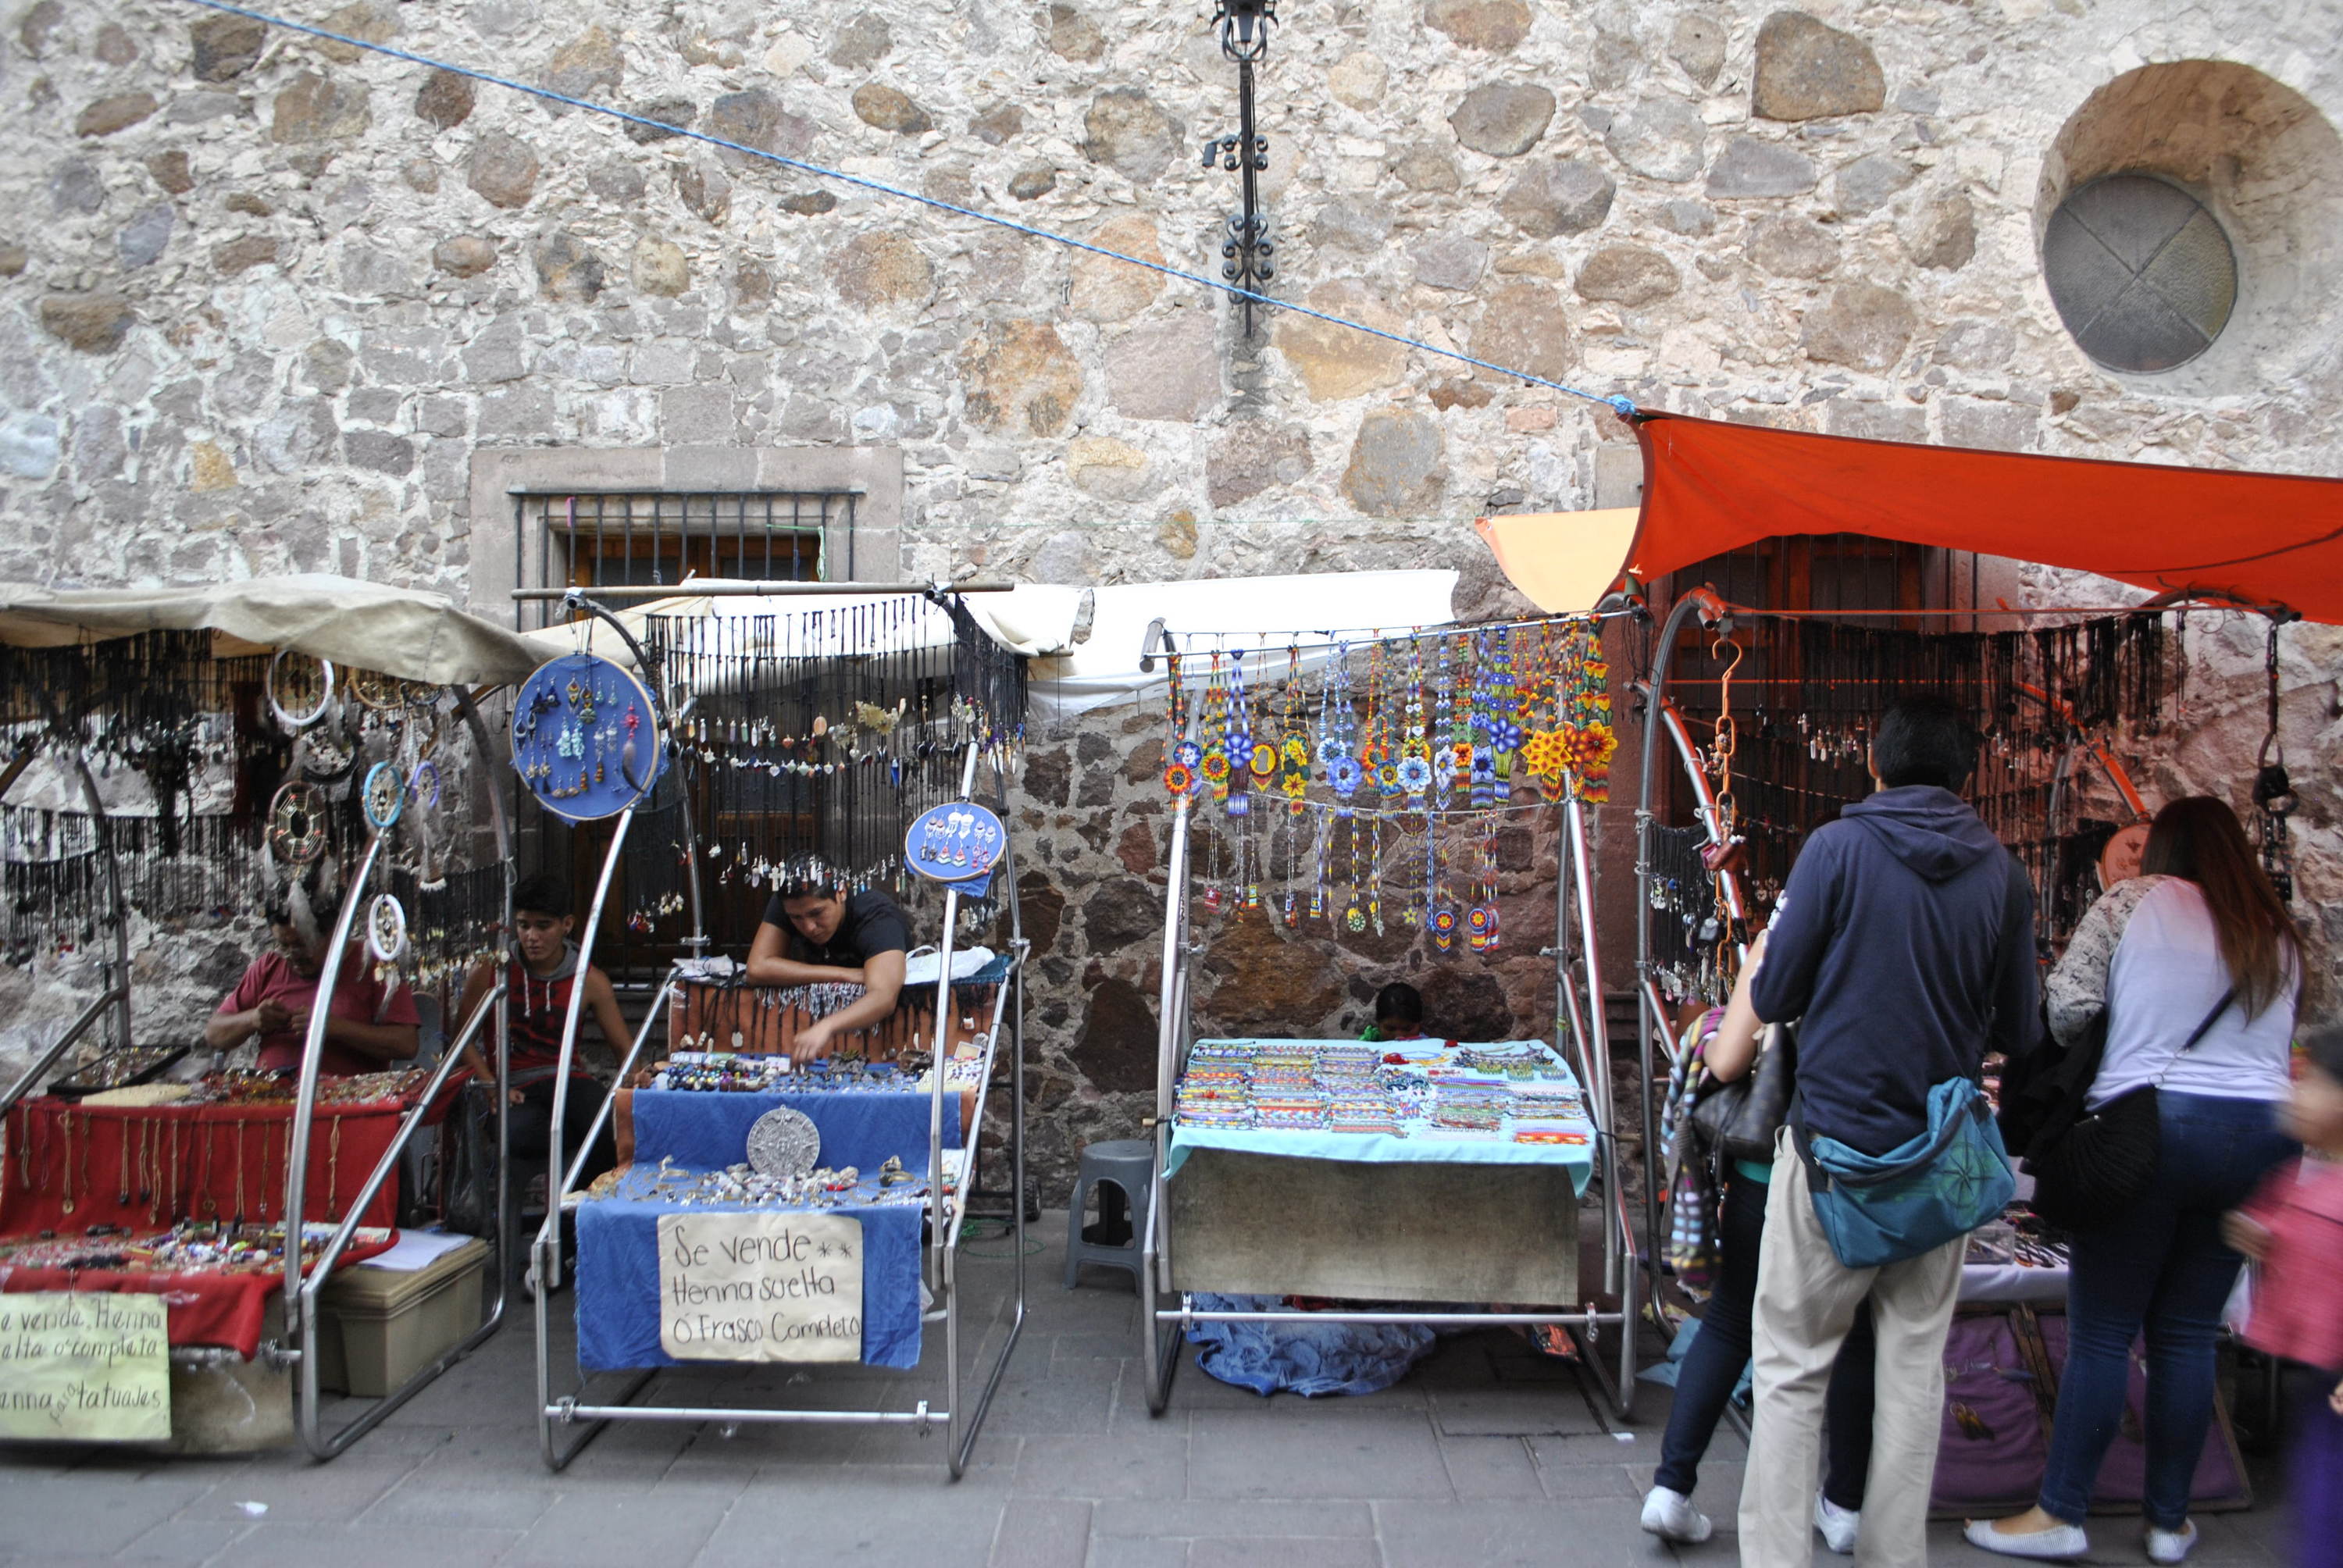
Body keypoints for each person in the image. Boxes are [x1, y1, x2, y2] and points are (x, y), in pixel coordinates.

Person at [1739, 695, 2039, 1568]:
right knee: (1915, 1367)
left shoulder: (1837, 849)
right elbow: (2020, 1025)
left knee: (1794, 1366)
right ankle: (1894, 1556)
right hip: (1938, 1156)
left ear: (1875, 763)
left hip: (1834, 1143)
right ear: (1964, 773)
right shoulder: (2003, 873)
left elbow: (1774, 995)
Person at [1969, 796, 2302, 1563]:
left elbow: (2065, 1009)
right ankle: (2167, 1520)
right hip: (2256, 1137)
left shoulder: (2132, 904)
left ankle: (2061, 1510)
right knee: (2187, 1333)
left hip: (2150, 1128)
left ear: (2167, 848)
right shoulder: (2273, 927)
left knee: (2105, 1330)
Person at [1639, 931, 1878, 1552]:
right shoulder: (1912, 930)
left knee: (1729, 1322)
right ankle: (1845, 1504)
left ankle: (1671, 1489)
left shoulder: (1784, 940)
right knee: (1857, 1333)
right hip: (1869, 1169)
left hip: (1771, 1169)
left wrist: (1716, 1028)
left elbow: (1725, 1065)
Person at [2226, 1024, 2343, 1568]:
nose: (2294, 1093)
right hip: (2322, 1380)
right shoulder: (2311, 1174)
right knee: (2319, 1496)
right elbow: (2297, 1226)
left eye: (2311, 1080)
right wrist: (2265, 1233)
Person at [451, 873, 629, 1196]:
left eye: (543, 926)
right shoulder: (492, 970)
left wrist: (635, 1085)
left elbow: (623, 1049)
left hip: (567, 1081)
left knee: (609, 1128)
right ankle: (541, 1204)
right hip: (513, 1085)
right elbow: (460, 1037)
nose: (531, 936)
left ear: (567, 925)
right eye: (523, 926)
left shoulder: (589, 979)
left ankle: (566, 1210)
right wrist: (492, 1085)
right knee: (517, 1133)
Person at [205, 872, 420, 1075]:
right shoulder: (269, 966)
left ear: (334, 935)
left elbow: (406, 1044)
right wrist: (253, 1019)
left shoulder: (373, 966)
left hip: (346, 1104)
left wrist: (334, 1027)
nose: (292, 955)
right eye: (283, 945)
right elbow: (214, 1034)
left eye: (302, 945)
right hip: (273, 1097)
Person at [745, 875, 911, 1064]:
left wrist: (826, 1026)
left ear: (841, 892)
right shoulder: (792, 902)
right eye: (796, 918)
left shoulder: (877, 915)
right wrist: (842, 974)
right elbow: (757, 968)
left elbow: (884, 997)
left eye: (817, 913)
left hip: (886, 1043)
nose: (809, 927)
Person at [1365, 981, 1432, 1042]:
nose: (1399, 1037)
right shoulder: (1365, 1047)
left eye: (1408, 1029)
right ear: (1379, 1024)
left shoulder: (1429, 1049)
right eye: (1390, 1029)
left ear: (1420, 1024)